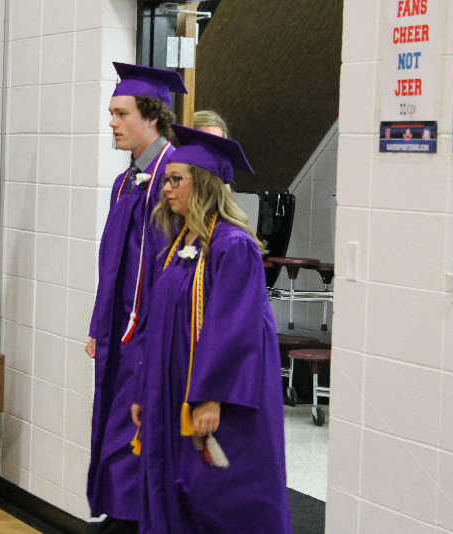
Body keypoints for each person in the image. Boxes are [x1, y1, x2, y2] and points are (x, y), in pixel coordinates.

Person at [131, 124, 291, 533]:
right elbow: (157, 325)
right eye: (166, 179)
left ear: (201, 185)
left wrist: (210, 397)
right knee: (175, 489)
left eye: (175, 180)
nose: (166, 188)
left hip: (219, 403)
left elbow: (233, 332)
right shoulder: (180, 247)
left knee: (222, 496)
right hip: (174, 395)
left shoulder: (232, 247)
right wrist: (144, 391)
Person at [86, 62, 187, 533]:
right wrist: (98, 326)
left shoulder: (178, 180)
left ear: (152, 117)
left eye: (121, 113)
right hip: (121, 333)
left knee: (136, 439)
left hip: (152, 337)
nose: (112, 122)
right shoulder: (126, 182)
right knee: (114, 431)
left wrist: (153, 336)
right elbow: (111, 264)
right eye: (111, 112)